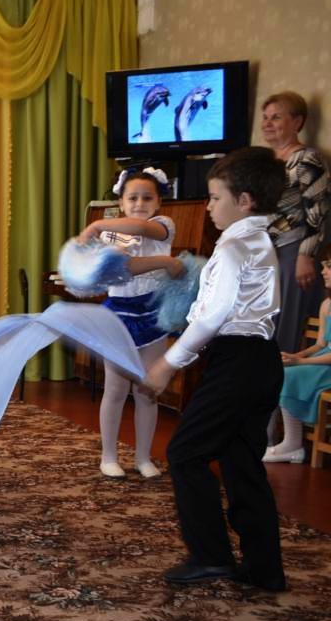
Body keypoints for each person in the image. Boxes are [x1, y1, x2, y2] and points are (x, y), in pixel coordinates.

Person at [143, 146, 287, 592]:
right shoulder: (259, 241)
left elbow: (213, 317)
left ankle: (210, 556)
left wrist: (168, 363)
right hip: (260, 361)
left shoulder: (234, 247)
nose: (208, 207)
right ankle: (265, 569)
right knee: (241, 462)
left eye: (215, 197)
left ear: (244, 201)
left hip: (237, 363)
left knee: (185, 454)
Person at [76, 166, 178, 479]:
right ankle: (108, 456)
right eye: (132, 198)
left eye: (147, 198)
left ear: (159, 202)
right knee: (116, 388)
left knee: (147, 390)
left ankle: (143, 457)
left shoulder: (164, 225)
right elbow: (119, 268)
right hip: (118, 316)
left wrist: (96, 224)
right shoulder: (111, 235)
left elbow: (140, 228)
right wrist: (163, 261)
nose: (139, 204)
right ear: (121, 202)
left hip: (152, 315)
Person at [259, 91, 329, 353]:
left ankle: (283, 374)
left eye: (276, 117)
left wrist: (305, 256)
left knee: (286, 324)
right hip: (265, 250)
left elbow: (318, 210)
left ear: (297, 122)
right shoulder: (264, 160)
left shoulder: (307, 158)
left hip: (293, 250)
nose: (267, 123)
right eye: (265, 117)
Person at [264, 247, 331, 463]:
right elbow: (321, 344)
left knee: (291, 375)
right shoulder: (326, 305)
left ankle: (292, 444)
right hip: (322, 360)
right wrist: (295, 356)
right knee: (281, 368)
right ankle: (283, 442)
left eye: (329, 266)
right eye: (323, 266)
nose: (323, 271)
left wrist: (302, 361)